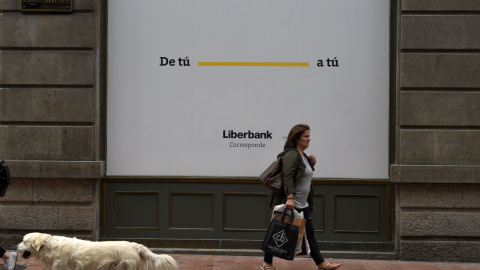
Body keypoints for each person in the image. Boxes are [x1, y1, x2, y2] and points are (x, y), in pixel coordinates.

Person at [262, 124, 342, 270]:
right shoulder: (292, 154)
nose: (309, 139)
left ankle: (321, 264)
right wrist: (290, 197)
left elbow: (303, 177)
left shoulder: (303, 156)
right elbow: (288, 176)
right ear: (296, 138)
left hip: (302, 203)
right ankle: (267, 263)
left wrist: (311, 164)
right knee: (277, 231)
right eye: (306, 136)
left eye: (309, 136)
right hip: (291, 202)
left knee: (309, 233)